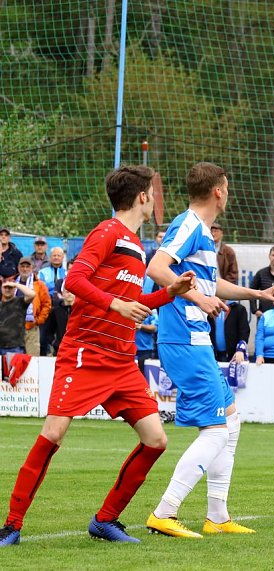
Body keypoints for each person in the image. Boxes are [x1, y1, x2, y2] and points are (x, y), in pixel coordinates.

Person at [0, 164, 195, 547]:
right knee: (53, 433)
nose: (155, 199)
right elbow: (75, 280)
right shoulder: (107, 232)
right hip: (85, 354)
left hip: (121, 361)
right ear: (142, 197)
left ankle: (105, 520)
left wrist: (170, 293)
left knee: (156, 440)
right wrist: (116, 305)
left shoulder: (136, 246)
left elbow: (134, 303)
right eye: (153, 193)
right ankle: (11, 525)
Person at [145, 162, 274, 538]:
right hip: (183, 339)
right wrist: (198, 298)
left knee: (230, 421)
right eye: (227, 187)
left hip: (196, 340)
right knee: (215, 431)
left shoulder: (203, 234)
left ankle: (217, 517)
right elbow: (157, 267)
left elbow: (213, 284)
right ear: (218, 191)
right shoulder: (188, 225)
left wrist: (258, 293)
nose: (229, 194)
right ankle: (164, 512)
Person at [14, 256, 51, 356]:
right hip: (13, 327)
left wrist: (39, 320)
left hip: (31, 327)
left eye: (27, 266)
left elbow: (46, 304)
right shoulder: (12, 283)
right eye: (22, 266)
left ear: (32, 268)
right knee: (12, 358)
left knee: (32, 358)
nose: (25, 269)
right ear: (18, 268)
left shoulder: (40, 285)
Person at [0, 278, 35, 356]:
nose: (7, 290)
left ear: (14, 289)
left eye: (10, 287)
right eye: (5, 287)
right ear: (1, 289)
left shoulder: (20, 302)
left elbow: (32, 294)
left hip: (15, 347)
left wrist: (15, 284)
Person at [42, 286, 75, 356]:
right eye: (67, 292)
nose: (69, 294)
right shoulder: (56, 311)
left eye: (72, 292)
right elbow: (49, 330)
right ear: (62, 293)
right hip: (59, 350)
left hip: (76, 349)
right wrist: (54, 342)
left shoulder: (80, 311)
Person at [135, 310, 158, 375]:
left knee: (144, 376)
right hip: (127, 351)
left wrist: (141, 326)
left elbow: (154, 328)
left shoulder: (151, 310)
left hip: (145, 351)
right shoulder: (127, 307)